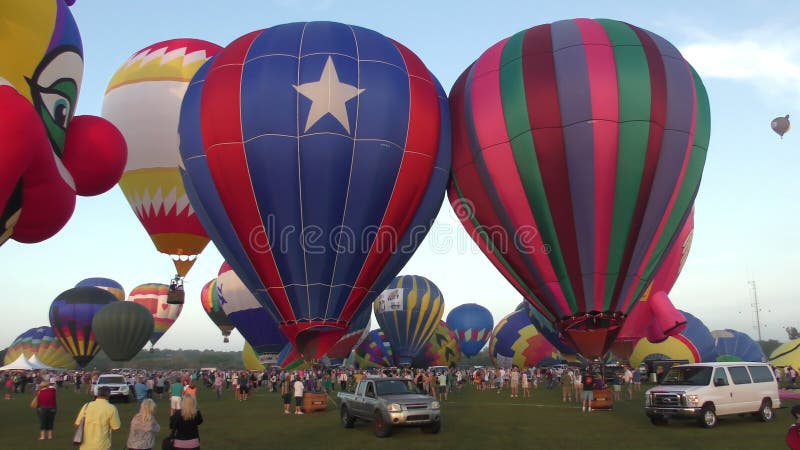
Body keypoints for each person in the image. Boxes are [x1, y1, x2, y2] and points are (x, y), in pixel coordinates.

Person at [74, 386, 121, 450]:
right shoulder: (111, 408)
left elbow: (77, 424)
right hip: (102, 446)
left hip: (85, 446)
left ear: (97, 394)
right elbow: (116, 428)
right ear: (109, 395)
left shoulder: (87, 406)